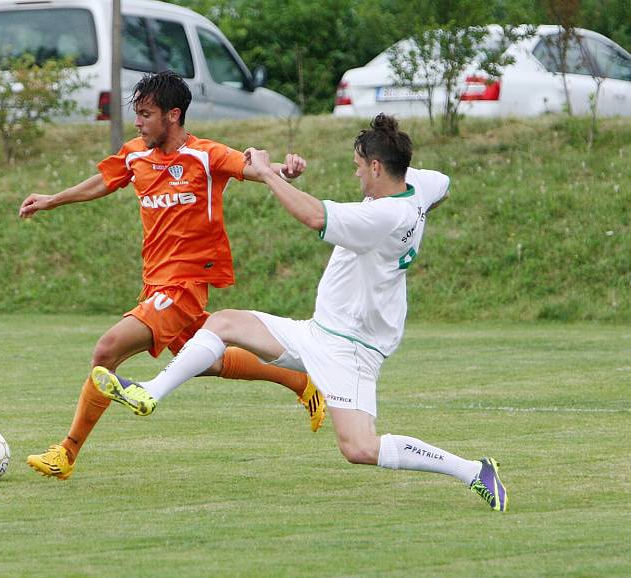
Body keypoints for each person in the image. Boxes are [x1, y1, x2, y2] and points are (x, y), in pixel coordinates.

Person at [91, 114, 509, 511]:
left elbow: (313, 216)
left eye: (358, 167)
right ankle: (150, 391)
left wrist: (269, 173)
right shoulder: (417, 185)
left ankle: (473, 470)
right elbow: (445, 186)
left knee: (359, 448)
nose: (356, 175)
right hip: (318, 332)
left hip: (352, 350)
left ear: (378, 167)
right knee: (224, 322)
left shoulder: (380, 214)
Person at [19, 71, 326, 480]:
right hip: (155, 283)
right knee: (206, 360)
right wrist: (53, 200)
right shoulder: (135, 154)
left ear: (173, 115)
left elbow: (252, 168)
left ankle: (67, 452)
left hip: (184, 287)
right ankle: (300, 381)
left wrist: (283, 172)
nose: (139, 122)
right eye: (137, 114)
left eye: (146, 114)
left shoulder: (206, 155)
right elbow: (104, 181)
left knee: (106, 351)